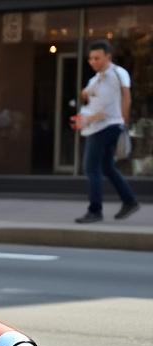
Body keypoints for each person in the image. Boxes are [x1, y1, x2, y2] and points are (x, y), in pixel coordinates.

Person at [73, 40, 139, 223]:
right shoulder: (95, 79)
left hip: (109, 126)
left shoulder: (118, 73)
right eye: (90, 59)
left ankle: (95, 210)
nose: (93, 62)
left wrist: (124, 122)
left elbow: (127, 97)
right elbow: (85, 95)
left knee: (90, 168)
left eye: (97, 58)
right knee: (107, 167)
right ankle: (129, 201)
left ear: (108, 57)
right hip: (96, 126)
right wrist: (85, 95)